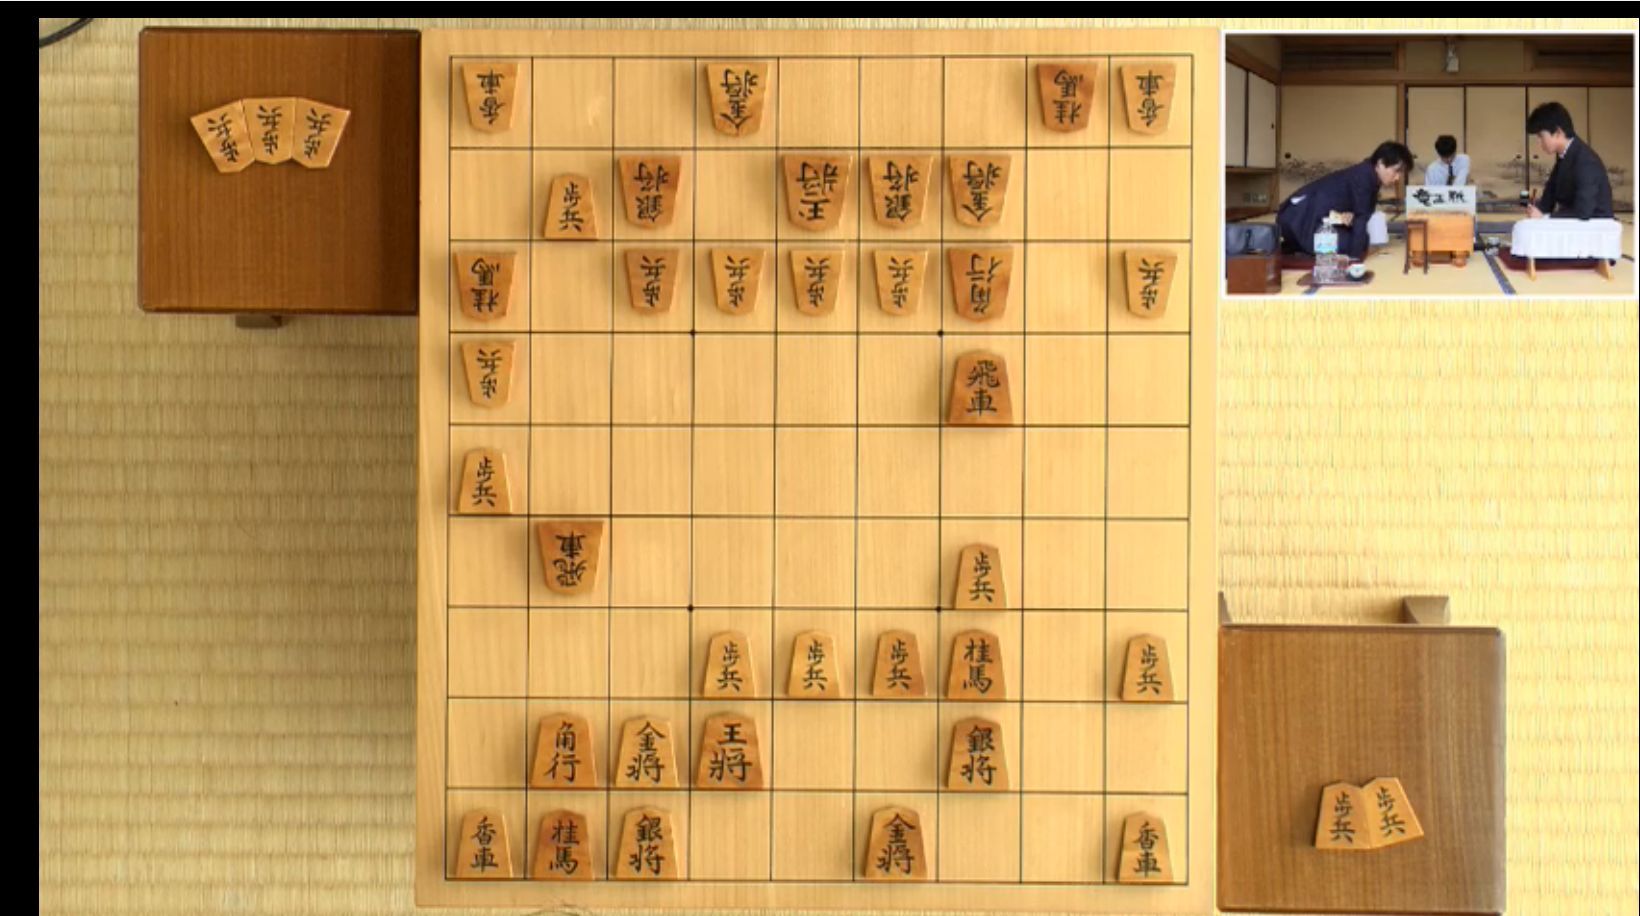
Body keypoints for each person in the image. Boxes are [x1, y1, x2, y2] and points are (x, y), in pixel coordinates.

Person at [1277, 141, 1414, 260]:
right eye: (1396, 171)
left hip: (1305, 216)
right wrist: (1355, 258)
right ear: (1381, 163)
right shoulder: (1364, 177)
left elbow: (1359, 214)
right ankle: (1299, 244)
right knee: (1355, 242)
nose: (1397, 178)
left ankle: (1297, 245)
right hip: (1299, 218)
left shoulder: (1368, 173)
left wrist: (1350, 219)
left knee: (1361, 238)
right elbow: (1361, 217)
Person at [1525, 101, 1613, 220]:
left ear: (1558, 132)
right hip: (1576, 223)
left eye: (1541, 136)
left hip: (1595, 225)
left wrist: (1545, 217)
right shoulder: (1565, 156)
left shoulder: (1586, 160)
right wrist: (1537, 210)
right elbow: (1549, 195)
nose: (1539, 142)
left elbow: (1583, 211)